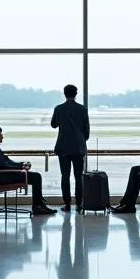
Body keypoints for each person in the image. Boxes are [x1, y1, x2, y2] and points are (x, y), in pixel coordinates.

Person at [0, 125, 55, 215]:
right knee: (36, 177)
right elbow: (3, 165)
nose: (2, 137)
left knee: (35, 176)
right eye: (0, 134)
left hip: (1, 175)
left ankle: (39, 204)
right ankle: (38, 206)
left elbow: (5, 162)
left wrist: (21, 165)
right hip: (0, 177)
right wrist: (20, 167)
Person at [51, 84, 90, 213]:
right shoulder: (82, 109)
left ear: (64, 94)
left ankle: (67, 205)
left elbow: (53, 124)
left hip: (63, 147)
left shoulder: (59, 108)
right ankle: (79, 204)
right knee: (78, 177)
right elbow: (87, 130)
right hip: (78, 147)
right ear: (75, 94)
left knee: (65, 176)